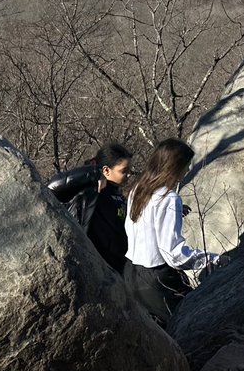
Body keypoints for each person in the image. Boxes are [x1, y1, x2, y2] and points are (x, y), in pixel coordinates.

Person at [124, 138, 221, 324]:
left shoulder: (138, 189)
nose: (186, 171)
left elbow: (142, 224)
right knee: (191, 323)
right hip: (157, 279)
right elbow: (173, 254)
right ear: (175, 167)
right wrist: (212, 260)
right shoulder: (169, 199)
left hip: (131, 273)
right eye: (186, 166)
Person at [46, 142, 134, 274]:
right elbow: (52, 187)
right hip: (94, 268)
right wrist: (95, 172)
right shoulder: (89, 191)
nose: (128, 175)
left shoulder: (118, 195)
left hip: (118, 269)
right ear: (106, 170)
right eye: (123, 171)